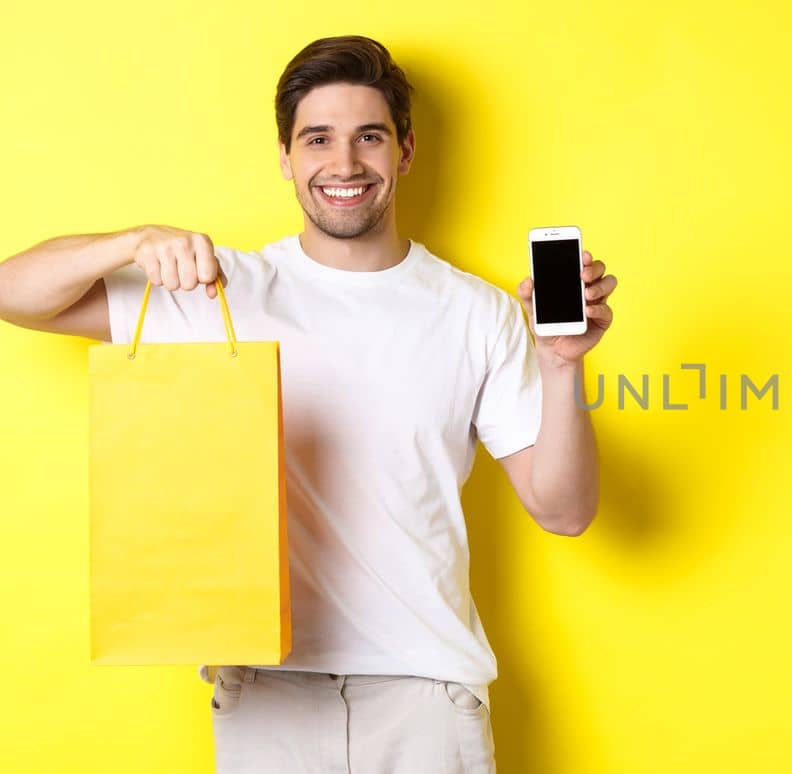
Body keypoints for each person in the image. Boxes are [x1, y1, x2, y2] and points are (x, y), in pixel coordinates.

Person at [0, 35, 617, 773]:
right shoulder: (214, 290)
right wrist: (131, 241)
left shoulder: (475, 312)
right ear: (286, 158)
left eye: (369, 138)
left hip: (425, 699)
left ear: (406, 152)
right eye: (318, 139)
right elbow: (14, 292)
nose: (345, 164)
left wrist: (559, 365)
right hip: (266, 696)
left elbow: (565, 511)